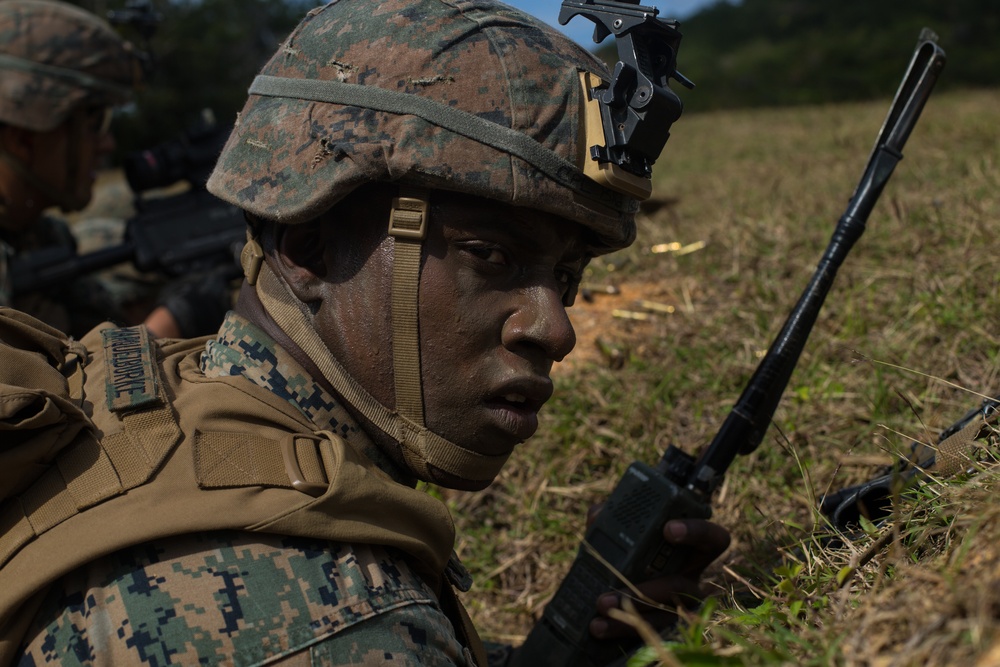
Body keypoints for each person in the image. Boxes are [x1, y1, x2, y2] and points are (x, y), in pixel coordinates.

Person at [1, 1, 730, 665]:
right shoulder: (336, 621)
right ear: (309, 245)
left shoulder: (164, 397)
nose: (555, 327)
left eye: (567, 276)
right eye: (493, 255)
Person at [0, 0, 226, 339]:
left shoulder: (39, 236)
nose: (107, 144)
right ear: (24, 141)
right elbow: (36, 392)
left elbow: (91, 337)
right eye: (94, 123)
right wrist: (169, 326)